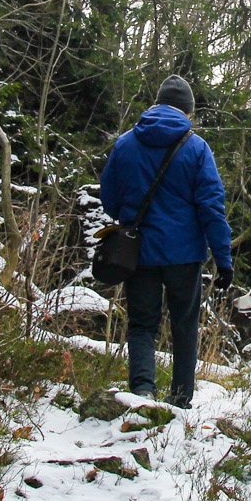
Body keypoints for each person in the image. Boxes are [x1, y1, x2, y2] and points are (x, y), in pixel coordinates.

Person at [98, 74, 234, 407]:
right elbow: (212, 209)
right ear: (187, 111)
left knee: (143, 324)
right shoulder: (197, 148)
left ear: (156, 104)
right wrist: (223, 258)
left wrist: (131, 216)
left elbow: (109, 200)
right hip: (184, 255)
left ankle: (143, 391)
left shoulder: (126, 143)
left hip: (138, 253)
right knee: (185, 326)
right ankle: (180, 400)